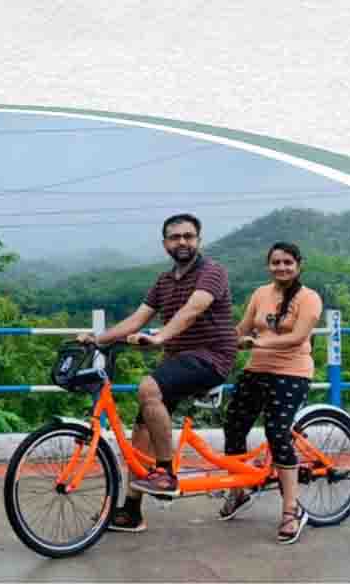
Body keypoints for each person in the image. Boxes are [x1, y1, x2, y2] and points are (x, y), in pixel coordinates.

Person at [79, 212, 237, 533]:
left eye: (189, 236)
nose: (182, 242)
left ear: (199, 240)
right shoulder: (163, 282)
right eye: (175, 237)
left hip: (212, 358)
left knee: (147, 387)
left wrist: (161, 337)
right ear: (165, 243)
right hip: (179, 361)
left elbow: (192, 310)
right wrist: (98, 339)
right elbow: (137, 319)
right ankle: (132, 511)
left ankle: (165, 472)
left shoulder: (212, 272)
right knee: (140, 433)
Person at [219, 241, 323, 544]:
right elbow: (243, 327)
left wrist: (259, 343)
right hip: (256, 369)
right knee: (234, 425)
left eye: (287, 262)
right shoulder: (260, 294)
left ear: (298, 264)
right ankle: (238, 492)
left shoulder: (309, 298)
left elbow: (297, 337)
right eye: (276, 262)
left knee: (277, 432)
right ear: (269, 265)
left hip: (292, 372)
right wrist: (221, 340)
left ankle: (291, 511)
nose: (282, 267)